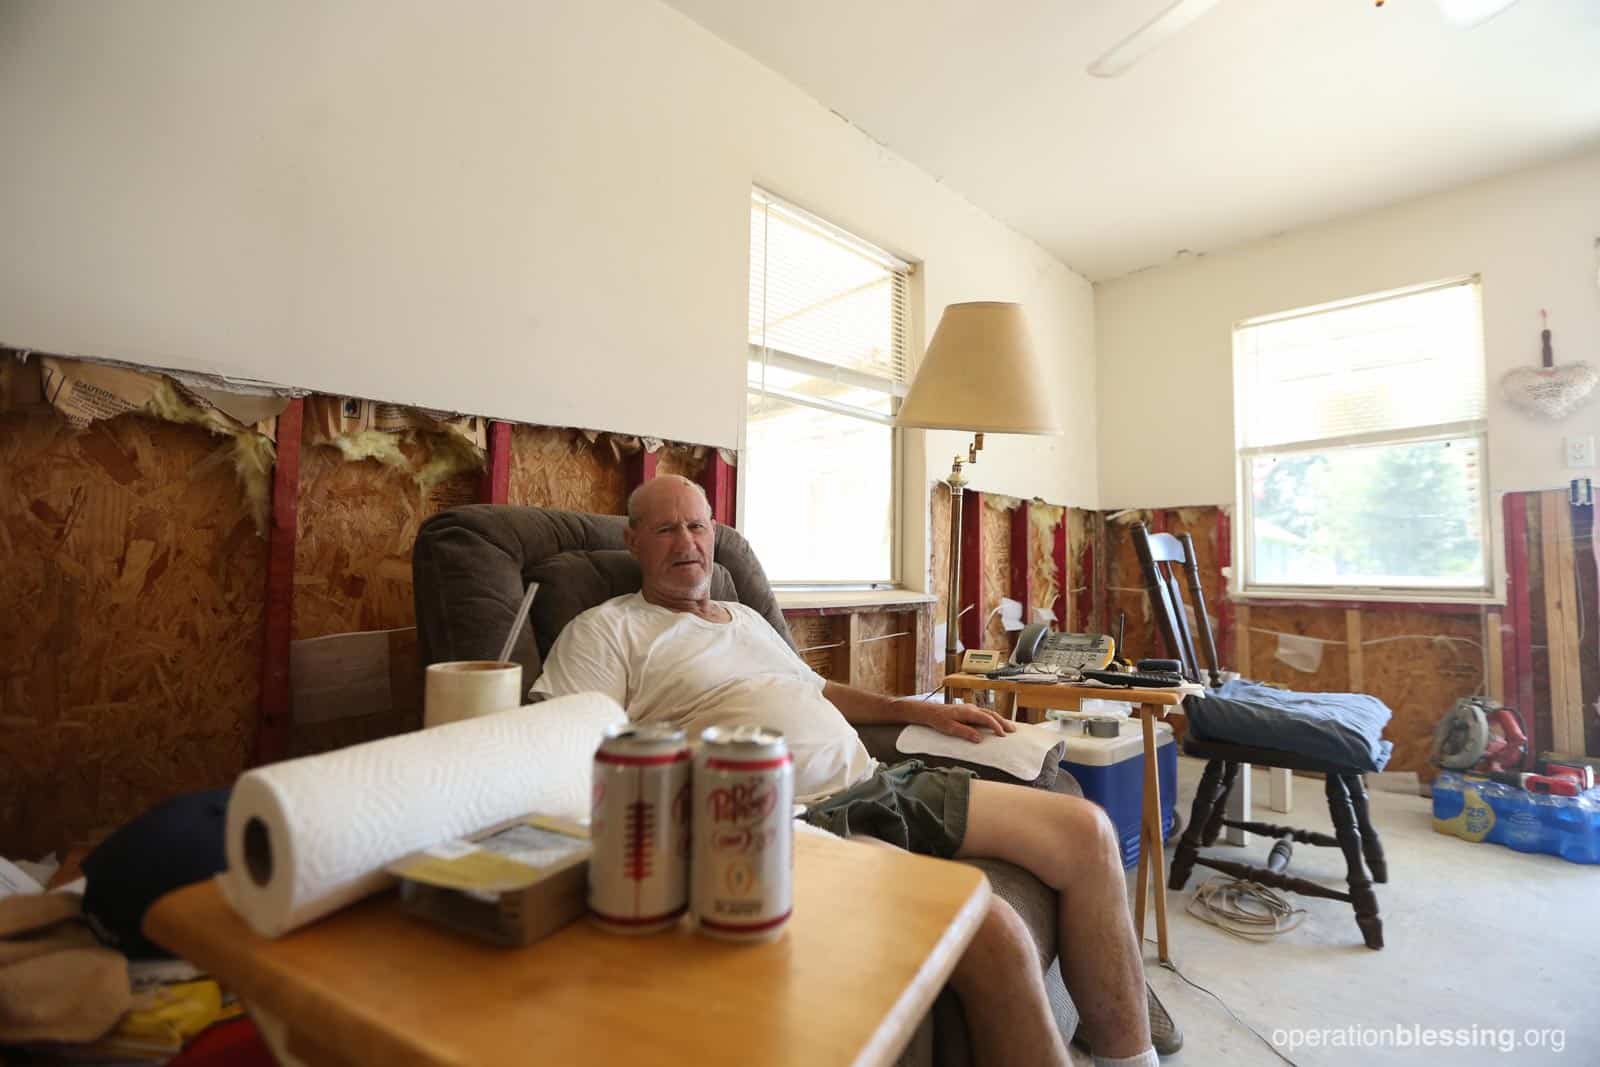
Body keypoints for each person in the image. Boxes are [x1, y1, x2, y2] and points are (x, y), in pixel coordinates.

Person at [534, 475, 1178, 1067]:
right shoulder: (607, 631)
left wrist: (921, 711)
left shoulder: (749, 619)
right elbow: (564, 741)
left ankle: (1131, 1058)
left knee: (1087, 832)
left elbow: (819, 690)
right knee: (993, 929)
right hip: (799, 819)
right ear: (633, 542)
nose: (687, 543)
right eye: (666, 529)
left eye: (698, 526)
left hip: (877, 781)